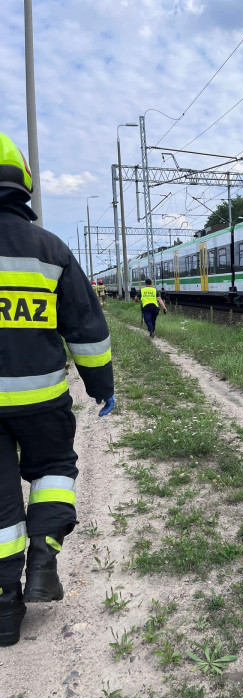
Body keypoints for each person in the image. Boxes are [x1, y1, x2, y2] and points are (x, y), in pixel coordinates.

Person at [0, 132, 115, 646]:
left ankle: (5, 612)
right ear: (24, 184)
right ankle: (43, 560)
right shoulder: (51, 250)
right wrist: (101, 385)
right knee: (53, 471)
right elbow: (86, 330)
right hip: (42, 401)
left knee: (0, 509)